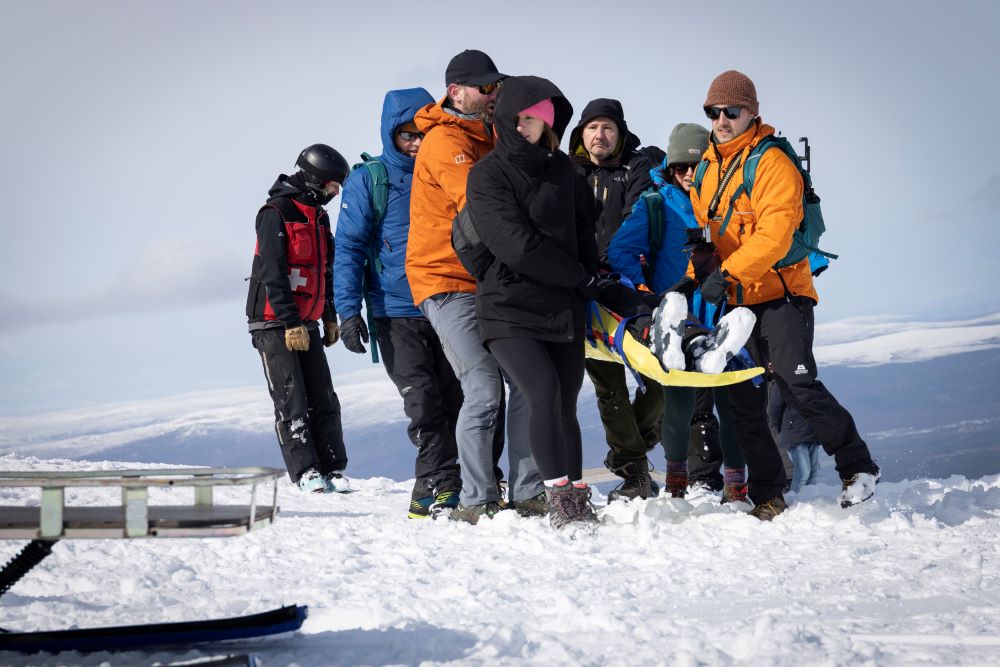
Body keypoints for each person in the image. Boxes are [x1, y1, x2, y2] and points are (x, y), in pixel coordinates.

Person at [686, 69, 880, 512]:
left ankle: (857, 466)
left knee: (797, 385)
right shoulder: (709, 166)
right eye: (713, 111)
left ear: (752, 112)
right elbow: (706, 230)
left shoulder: (772, 161)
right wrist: (695, 271)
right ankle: (768, 495)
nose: (721, 119)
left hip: (781, 295)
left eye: (731, 111)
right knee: (742, 401)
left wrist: (726, 274)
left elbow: (774, 234)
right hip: (736, 301)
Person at [406, 50, 544, 523]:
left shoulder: (491, 133)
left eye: (496, 87)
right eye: (484, 88)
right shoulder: (445, 142)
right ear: (455, 92)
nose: (492, 95)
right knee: (484, 388)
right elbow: (484, 205)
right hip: (446, 281)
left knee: (525, 382)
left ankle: (527, 493)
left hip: (489, 278)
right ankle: (475, 500)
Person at [465, 75, 600, 529]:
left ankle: (578, 498)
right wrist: (579, 277)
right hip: (507, 307)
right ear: (505, 118)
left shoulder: (565, 171)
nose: (527, 127)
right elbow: (514, 244)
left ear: (549, 125)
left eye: (537, 120)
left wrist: (595, 277)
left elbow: (584, 232)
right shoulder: (487, 174)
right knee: (541, 391)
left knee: (565, 403)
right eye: (521, 118)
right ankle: (558, 498)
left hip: (562, 306)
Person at [334, 88, 464, 519]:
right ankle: (441, 485)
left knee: (460, 399)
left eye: (423, 133)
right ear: (390, 134)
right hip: (396, 313)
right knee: (423, 403)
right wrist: (348, 312)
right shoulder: (370, 180)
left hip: (450, 303)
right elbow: (349, 248)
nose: (416, 142)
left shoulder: (449, 170)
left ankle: (445, 488)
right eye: (406, 134)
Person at [607, 123, 753, 504]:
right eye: (680, 167)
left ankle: (736, 485)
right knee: (680, 400)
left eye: (696, 165)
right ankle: (676, 484)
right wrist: (647, 296)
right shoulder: (657, 204)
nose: (688, 174)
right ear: (670, 169)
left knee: (730, 395)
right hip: (677, 316)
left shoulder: (727, 202)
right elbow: (621, 251)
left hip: (726, 311)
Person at [568, 98, 664, 501]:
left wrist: (606, 263)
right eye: (592, 128)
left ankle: (634, 448)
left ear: (620, 133)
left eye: (607, 128)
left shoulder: (635, 169)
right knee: (608, 386)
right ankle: (634, 473)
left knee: (659, 374)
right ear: (580, 134)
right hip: (581, 289)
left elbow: (634, 218)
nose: (600, 135)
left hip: (629, 287)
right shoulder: (567, 171)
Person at [245, 144, 350, 494]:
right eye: (332, 185)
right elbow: (272, 272)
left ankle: (333, 469)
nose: (335, 192)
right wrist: (290, 322)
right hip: (275, 323)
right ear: (313, 179)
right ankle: (306, 472)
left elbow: (324, 271)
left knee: (323, 397)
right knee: (292, 400)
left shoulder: (317, 216)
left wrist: (329, 316)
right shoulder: (276, 212)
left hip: (307, 321)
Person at [767, 382, 821, 493]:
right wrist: (780, 429)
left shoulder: (808, 378)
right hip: (794, 433)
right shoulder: (780, 382)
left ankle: (809, 500)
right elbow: (773, 410)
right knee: (803, 472)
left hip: (811, 431)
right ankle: (795, 501)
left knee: (814, 472)